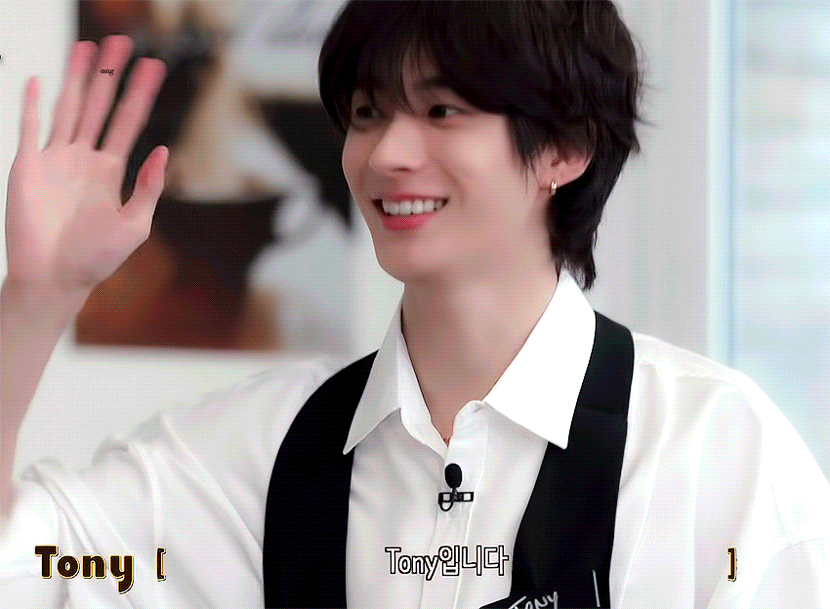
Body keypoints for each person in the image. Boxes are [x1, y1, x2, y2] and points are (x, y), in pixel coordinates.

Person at [2, 1, 828, 608]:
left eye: (441, 110)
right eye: (368, 113)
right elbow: (30, 562)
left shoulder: (713, 450)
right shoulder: (264, 451)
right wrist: (36, 298)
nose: (387, 153)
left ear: (566, 145)